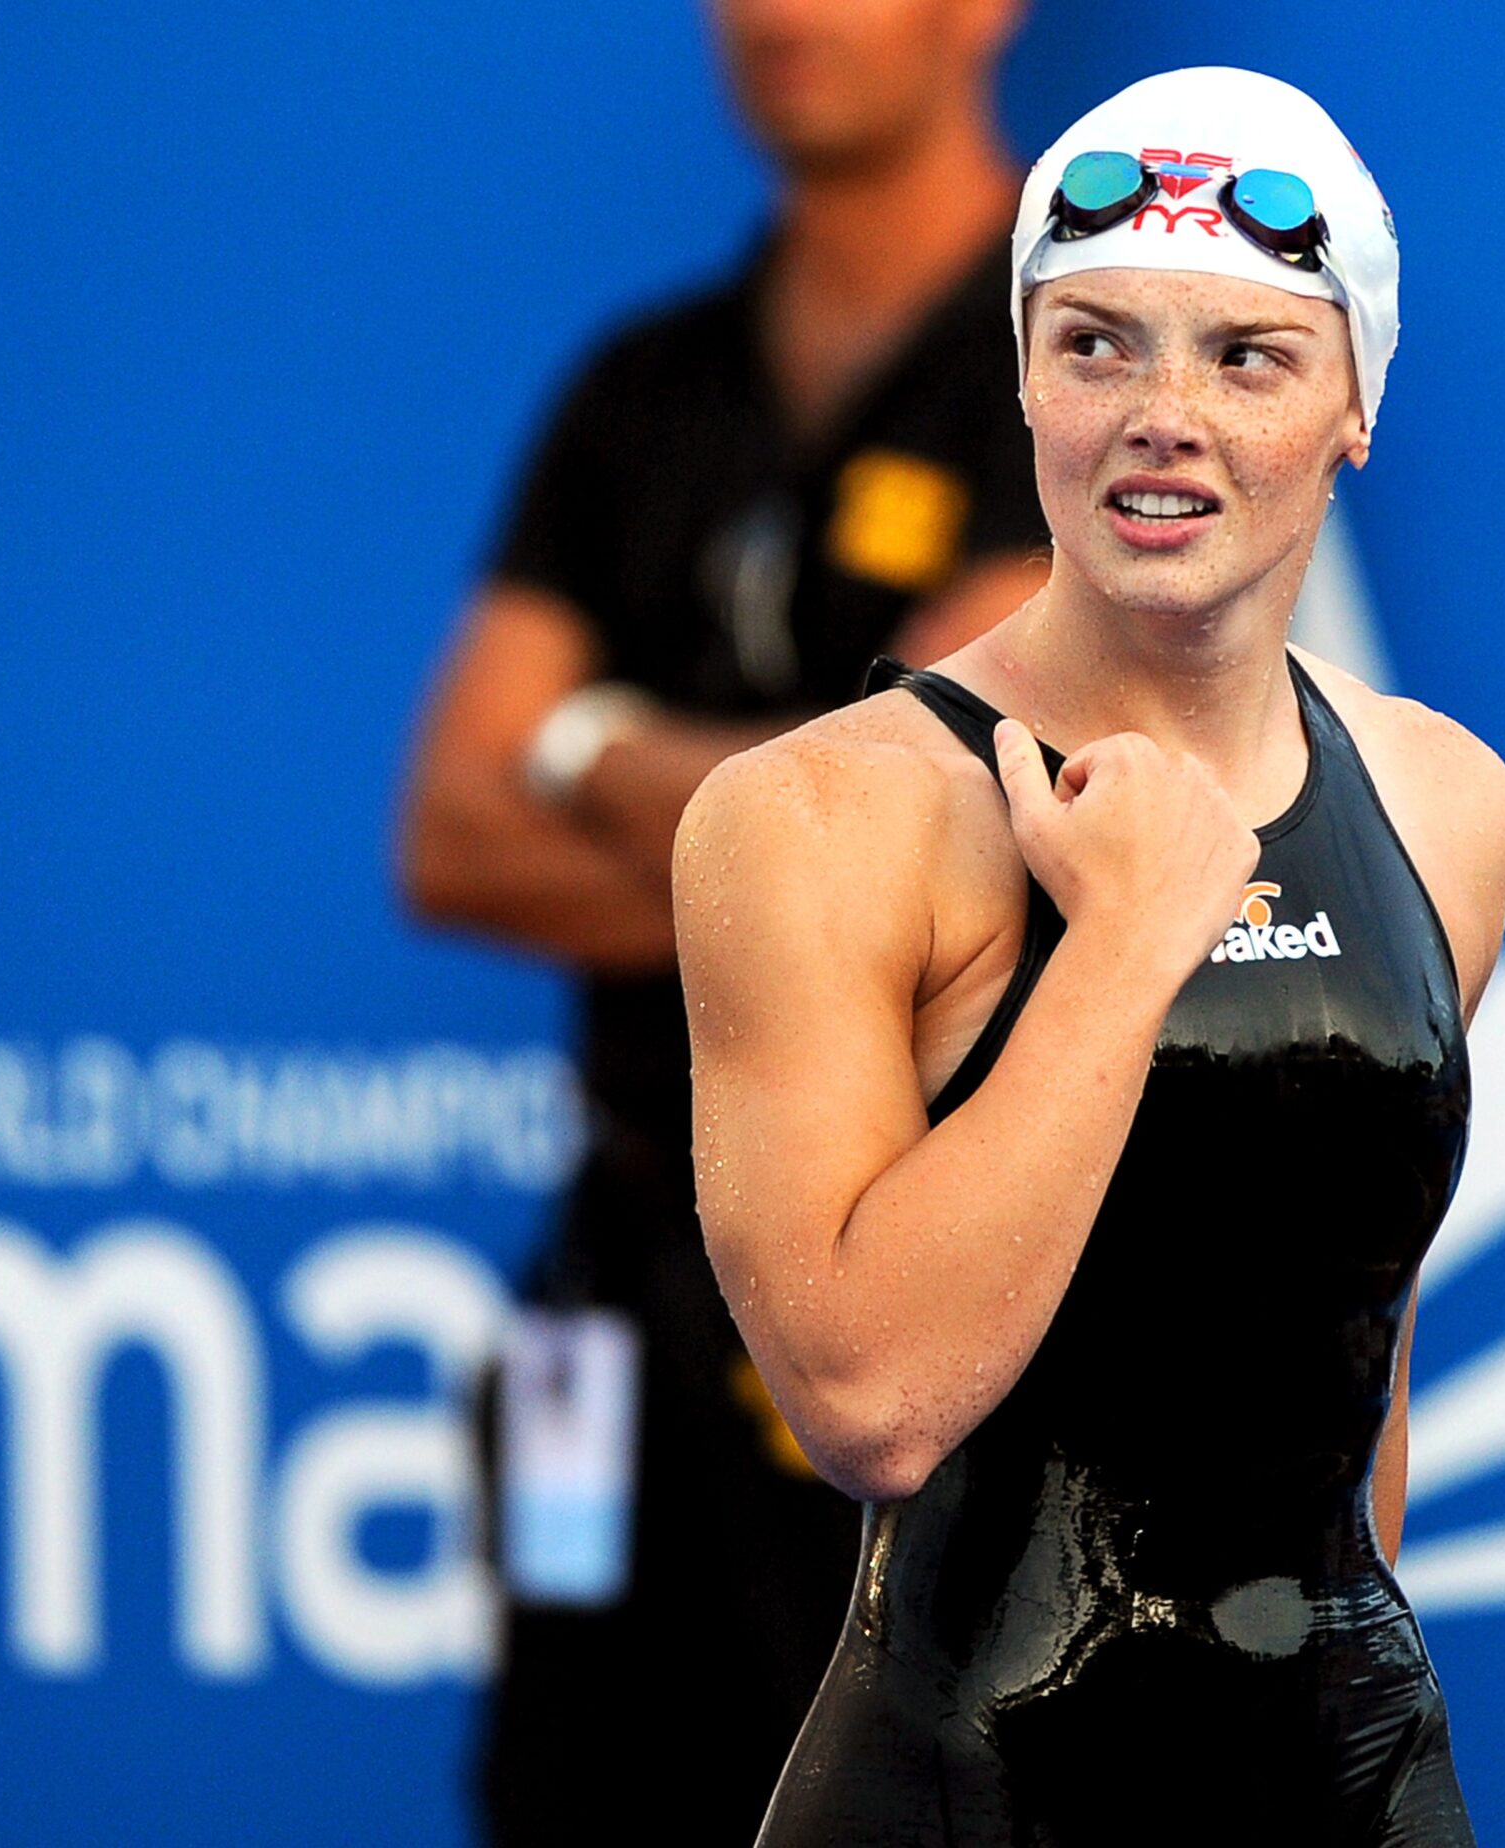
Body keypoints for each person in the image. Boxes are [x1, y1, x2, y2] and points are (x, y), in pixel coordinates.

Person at [674, 67, 1505, 1845]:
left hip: (1353, 1778)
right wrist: (1126, 937)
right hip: (969, 1791)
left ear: (1356, 405)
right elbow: (870, 1403)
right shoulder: (821, 819)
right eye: (1097, 346)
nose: (1163, 418)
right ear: (1026, 378)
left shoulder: (1444, 803)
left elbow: (1357, 1337)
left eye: (1248, 358)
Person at [397, 2, 1051, 1840]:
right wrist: (812, 838)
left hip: (907, 1320)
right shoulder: (643, 389)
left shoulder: (1076, 373)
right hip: (619, 1286)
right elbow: (450, 836)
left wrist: (592, 747)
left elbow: (971, 823)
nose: (774, 14)